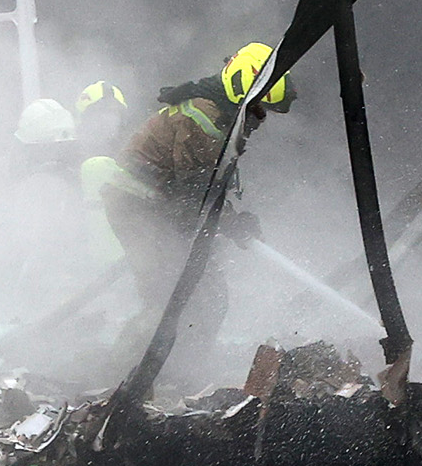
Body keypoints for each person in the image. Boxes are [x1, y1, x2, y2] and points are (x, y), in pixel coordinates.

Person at [84, 42, 289, 352]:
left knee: (210, 295)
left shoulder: (221, 116)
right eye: (260, 108)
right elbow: (195, 190)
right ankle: (126, 368)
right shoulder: (203, 117)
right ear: (241, 91)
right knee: (167, 297)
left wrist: (230, 223)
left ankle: (186, 365)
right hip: (137, 207)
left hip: (162, 207)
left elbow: (199, 193)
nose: (261, 119)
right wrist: (233, 225)